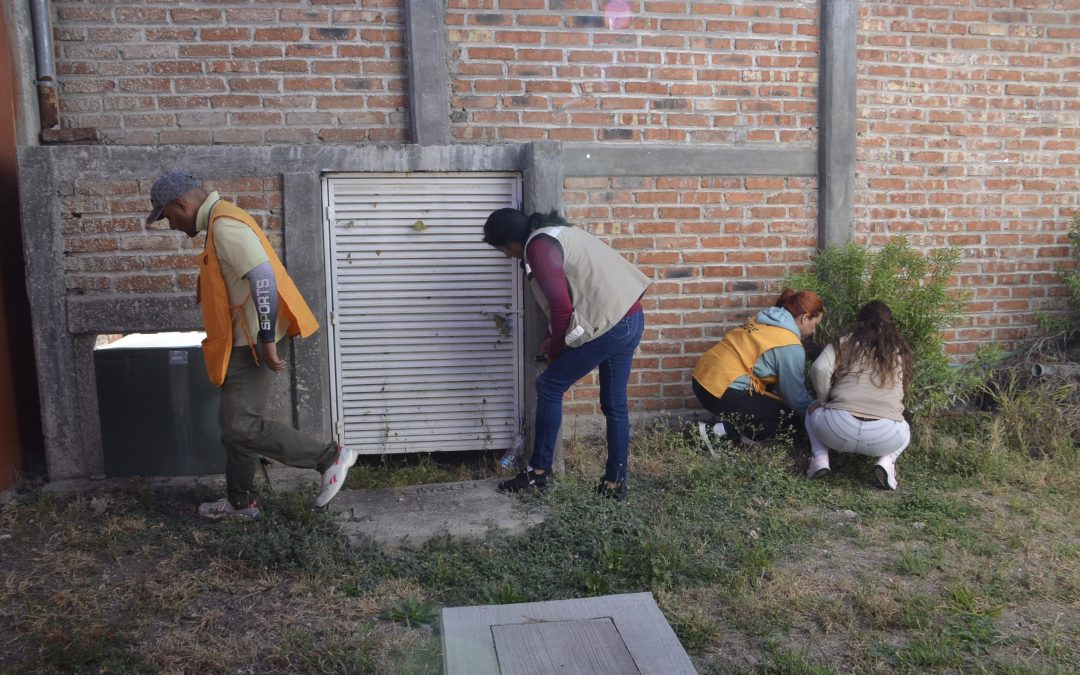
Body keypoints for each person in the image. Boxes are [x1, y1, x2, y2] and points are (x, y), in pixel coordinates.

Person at [145, 171, 356, 520]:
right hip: (242, 341)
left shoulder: (225, 226)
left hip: (254, 343)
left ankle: (328, 458)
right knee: (234, 428)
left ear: (181, 203)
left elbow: (262, 278)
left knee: (240, 426)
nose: (170, 225)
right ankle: (241, 503)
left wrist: (267, 338)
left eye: (168, 216)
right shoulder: (218, 223)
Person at [482, 208, 650, 500]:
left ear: (510, 243)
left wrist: (555, 352)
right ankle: (615, 484)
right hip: (630, 317)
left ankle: (538, 474)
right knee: (614, 404)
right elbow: (569, 293)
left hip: (610, 325)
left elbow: (562, 307)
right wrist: (550, 337)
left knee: (549, 385)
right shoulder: (557, 232)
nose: (504, 256)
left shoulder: (538, 247)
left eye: (500, 250)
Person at [692, 289, 823, 451]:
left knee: (769, 393)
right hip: (720, 390)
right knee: (789, 419)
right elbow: (795, 397)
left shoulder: (764, 319)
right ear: (804, 318)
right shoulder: (790, 345)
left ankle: (734, 429)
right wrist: (816, 415)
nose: (814, 331)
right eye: (815, 324)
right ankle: (718, 432)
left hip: (701, 378)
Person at [804, 300, 913, 490]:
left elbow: (820, 368)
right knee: (904, 427)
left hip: (837, 428)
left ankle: (820, 459)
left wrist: (823, 401)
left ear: (859, 320)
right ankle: (887, 462)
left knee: (811, 409)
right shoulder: (899, 351)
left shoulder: (844, 342)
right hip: (885, 435)